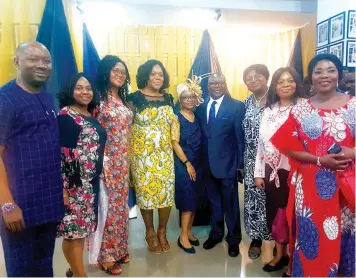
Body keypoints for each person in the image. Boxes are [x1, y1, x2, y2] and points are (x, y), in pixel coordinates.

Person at [271, 54, 355, 277]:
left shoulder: (354, 105)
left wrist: (352, 151)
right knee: (313, 236)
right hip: (309, 186)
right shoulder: (300, 110)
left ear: (339, 74)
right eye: (318, 71)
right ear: (311, 78)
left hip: (348, 185)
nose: (325, 75)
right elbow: (287, 145)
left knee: (345, 234)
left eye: (330, 70)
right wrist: (319, 160)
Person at [0, 42, 64, 277]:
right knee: (21, 269)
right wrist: (7, 204)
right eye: (33, 59)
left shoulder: (47, 98)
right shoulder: (5, 99)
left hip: (48, 202)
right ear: (17, 62)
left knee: (44, 264)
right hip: (19, 205)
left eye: (46, 61)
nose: (41, 65)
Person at [57, 73, 107, 277]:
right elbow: (63, 155)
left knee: (80, 231)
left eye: (88, 88)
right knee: (74, 234)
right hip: (75, 186)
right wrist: (64, 191)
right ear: (70, 90)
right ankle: (80, 275)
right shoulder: (66, 115)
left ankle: (73, 269)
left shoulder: (89, 114)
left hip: (90, 184)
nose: (84, 92)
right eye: (79, 87)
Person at [254, 67, 303, 275]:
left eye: (290, 80)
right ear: (274, 86)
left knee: (295, 215)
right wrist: (258, 172)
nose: (285, 84)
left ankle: (296, 260)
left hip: (296, 171)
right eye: (281, 81)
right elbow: (260, 144)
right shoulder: (268, 111)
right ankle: (280, 253)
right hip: (271, 170)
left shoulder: (304, 108)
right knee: (275, 214)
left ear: (296, 83)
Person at [88, 55, 133, 275]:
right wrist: (98, 163)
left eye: (123, 72)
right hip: (105, 163)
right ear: (106, 71)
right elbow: (89, 131)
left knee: (121, 209)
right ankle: (105, 255)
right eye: (115, 70)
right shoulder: (97, 99)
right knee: (107, 209)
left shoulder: (123, 100)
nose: (120, 74)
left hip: (123, 163)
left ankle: (120, 248)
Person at [128, 60, 178, 254]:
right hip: (142, 157)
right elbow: (127, 127)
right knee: (146, 195)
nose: (158, 77)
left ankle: (162, 230)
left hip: (165, 155)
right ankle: (149, 231)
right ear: (145, 76)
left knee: (165, 194)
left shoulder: (168, 98)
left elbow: (172, 125)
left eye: (160, 74)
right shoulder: (134, 98)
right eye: (153, 74)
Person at [196, 73, 245, 257]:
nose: (216, 85)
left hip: (228, 165)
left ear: (225, 84)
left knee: (231, 204)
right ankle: (216, 233)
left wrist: (240, 165)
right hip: (206, 165)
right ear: (207, 86)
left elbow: (240, 139)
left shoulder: (236, 106)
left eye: (220, 82)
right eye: (212, 83)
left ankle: (233, 239)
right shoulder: (200, 108)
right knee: (213, 202)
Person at [242, 64, 271, 259]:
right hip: (250, 158)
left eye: (258, 76)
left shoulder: (276, 99)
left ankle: (278, 239)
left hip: (273, 160)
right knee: (253, 200)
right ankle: (256, 238)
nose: (253, 80)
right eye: (249, 78)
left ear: (267, 77)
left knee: (274, 199)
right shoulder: (246, 102)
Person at [173, 76, 204, 254]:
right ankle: (183, 236)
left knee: (195, 199)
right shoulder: (176, 118)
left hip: (198, 163)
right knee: (187, 200)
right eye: (185, 97)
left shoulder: (196, 116)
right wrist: (187, 163)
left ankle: (189, 230)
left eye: (192, 97)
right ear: (180, 100)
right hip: (185, 164)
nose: (189, 100)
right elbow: (174, 142)